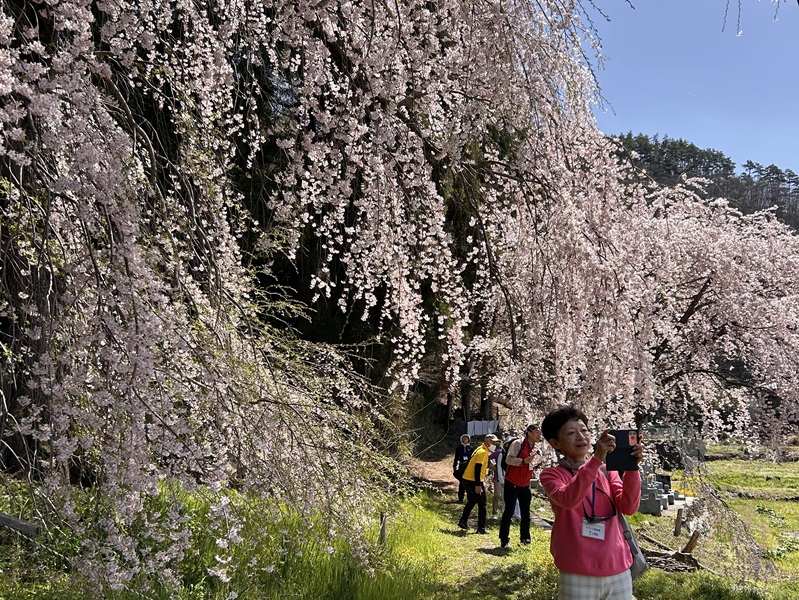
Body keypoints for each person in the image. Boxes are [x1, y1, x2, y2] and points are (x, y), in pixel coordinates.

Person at [539, 406, 644, 600]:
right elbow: (568, 499)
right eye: (571, 433)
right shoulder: (551, 475)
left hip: (617, 567)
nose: (581, 437)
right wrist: (595, 460)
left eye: (584, 430)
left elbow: (629, 507)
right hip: (577, 570)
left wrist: (632, 468)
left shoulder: (607, 471)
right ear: (555, 443)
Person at [499, 424, 542, 548]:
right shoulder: (518, 443)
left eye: (540, 433)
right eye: (537, 432)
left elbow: (534, 463)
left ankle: (525, 538)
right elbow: (508, 459)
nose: (539, 435)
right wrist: (523, 461)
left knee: (526, 513)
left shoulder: (536, 447)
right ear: (529, 432)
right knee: (509, 511)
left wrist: (537, 461)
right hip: (512, 482)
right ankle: (504, 539)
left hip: (525, 484)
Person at [458, 433, 500, 534]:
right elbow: (477, 468)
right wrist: (478, 484)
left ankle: (463, 521)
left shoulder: (480, 449)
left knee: (472, 500)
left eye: (495, 442)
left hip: (467, 479)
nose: (495, 444)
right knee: (483, 504)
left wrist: (489, 465)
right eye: (493, 442)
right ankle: (481, 528)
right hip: (474, 480)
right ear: (487, 441)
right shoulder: (483, 452)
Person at [452, 434, 474, 503]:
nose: (465, 440)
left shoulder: (471, 448)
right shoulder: (459, 447)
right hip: (461, 465)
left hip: (468, 466)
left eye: (466, 438)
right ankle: (460, 498)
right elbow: (456, 457)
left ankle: (469, 498)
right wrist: (454, 466)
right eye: (464, 438)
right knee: (462, 482)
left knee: (468, 482)